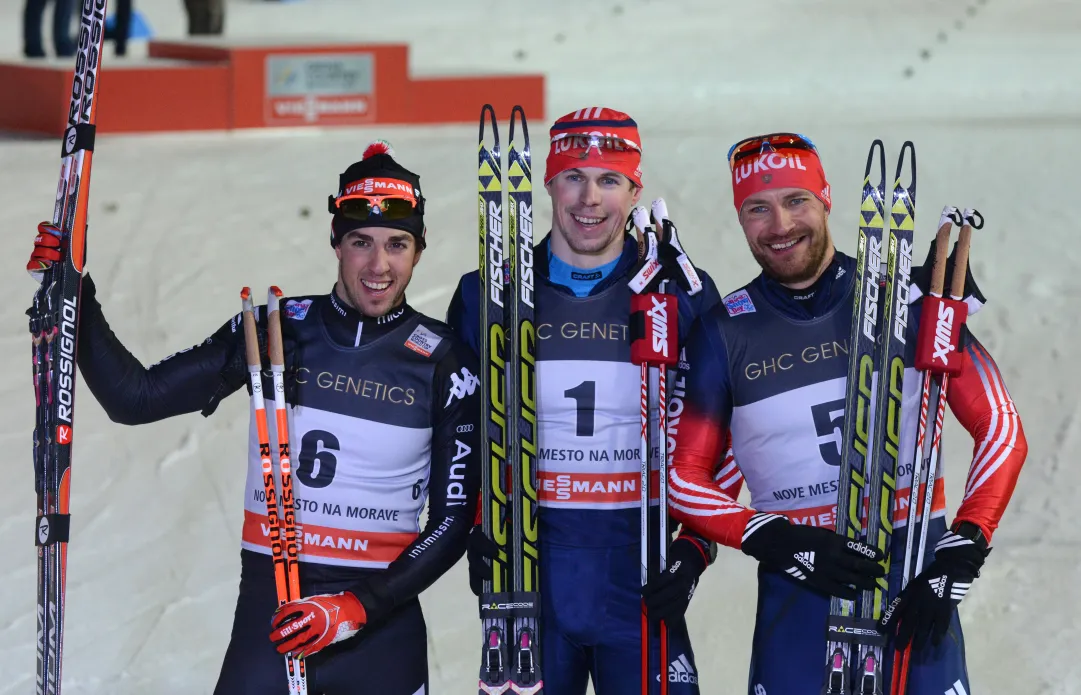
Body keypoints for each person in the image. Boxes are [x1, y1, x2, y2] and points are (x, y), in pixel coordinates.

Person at [26, 141, 479, 695]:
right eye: (361, 242)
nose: (379, 265)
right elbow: (135, 399)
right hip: (272, 623)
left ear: (419, 250)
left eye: (397, 245)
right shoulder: (274, 330)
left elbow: (453, 522)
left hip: (378, 634)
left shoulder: (443, 361)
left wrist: (356, 607)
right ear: (335, 242)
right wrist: (73, 289)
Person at [666, 132, 1029, 693]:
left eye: (796, 201)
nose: (780, 225)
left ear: (826, 198)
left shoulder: (907, 303)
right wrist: (772, 537)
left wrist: (965, 542)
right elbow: (684, 477)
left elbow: (1000, 425)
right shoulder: (722, 332)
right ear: (740, 219)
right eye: (757, 209)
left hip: (912, 597)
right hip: (798, 611)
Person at [447, 107, 724, 694]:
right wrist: (474, 520)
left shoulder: (677, 292)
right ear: (547, 183)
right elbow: (464, 431)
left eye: (609, 179)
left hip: (640, 575)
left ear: (634, 189)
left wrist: (696, 547)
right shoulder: (487, 296)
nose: (589, 198)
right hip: (529, 577)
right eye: (573, 176)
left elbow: (722, 435)